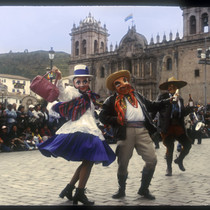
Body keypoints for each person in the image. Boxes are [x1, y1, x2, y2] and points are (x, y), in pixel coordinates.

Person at [37, 64, 116, 205]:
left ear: (88, 82)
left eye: (85, 81)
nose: (82, 84)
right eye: (79, 81)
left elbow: (92, 114)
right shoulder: (72, 92)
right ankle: (78, 192)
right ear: (74, 82)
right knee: (89, 160)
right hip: (81, 129)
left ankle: (70, 189)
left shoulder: (89, 97)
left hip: (90, 128)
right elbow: (62, 94)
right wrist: (59, 78)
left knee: (88, 160)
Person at [99, 70, 171, 200]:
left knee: (152, 160)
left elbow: (151, 105)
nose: (123, 84)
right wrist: (116, 120)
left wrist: (167, 101)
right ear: (115, 87)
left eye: (125, 80)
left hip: (142, 130)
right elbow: (102, 116)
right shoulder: (111, 100)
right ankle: (121, 189)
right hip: (125, 132)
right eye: (118, 83)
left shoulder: (137, 95)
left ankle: (144, 189)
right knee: (123, 163)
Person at [154, 76, 192, 176]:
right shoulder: (163, 97)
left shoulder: (180, 99)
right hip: (167, 125)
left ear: (176, 88)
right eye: (170, 86)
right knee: (170, 147)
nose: (172, 88)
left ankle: (179, 160)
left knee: (187, 144)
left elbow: (182, 113)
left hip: (178, 126)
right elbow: (156, 108)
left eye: (174, 86)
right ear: (167, 88)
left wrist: (190, 108)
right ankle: (169, 168)